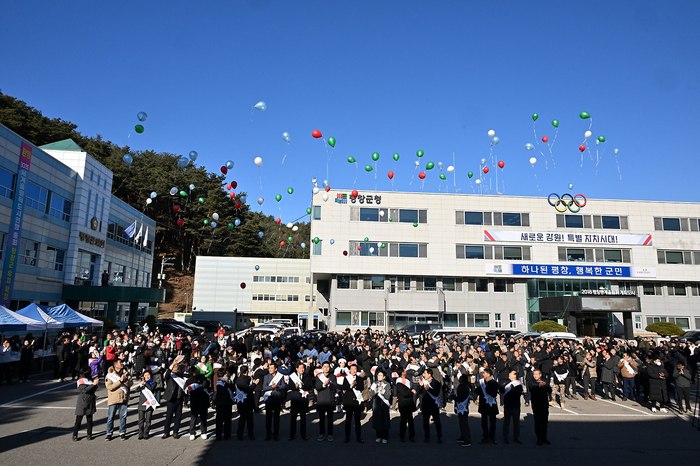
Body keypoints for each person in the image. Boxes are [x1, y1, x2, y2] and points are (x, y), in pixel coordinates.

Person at [104, 358, 132, 441]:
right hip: (113, 399)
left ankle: (122, 432)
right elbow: (110, 387)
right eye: (120, 362)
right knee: (111, 417)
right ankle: (109, 433)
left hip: (124, 398)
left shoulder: (126, 373)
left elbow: (130, 383)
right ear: (115, 365)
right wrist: (120, 381)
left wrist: (125, 380)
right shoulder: (110, 374)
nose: (122, 364)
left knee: (123, 417)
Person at [262, 360, 287, 441]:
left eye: (272, 368)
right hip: (269, 398)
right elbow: (264, 388)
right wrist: (271, 387)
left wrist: (277, 387)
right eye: (269, 368)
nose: (270, 369)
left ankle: (276, 434)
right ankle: (268, 433)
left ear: (276, 369)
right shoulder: (266, 377)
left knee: (276, 418)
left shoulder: (280, 376)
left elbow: (284, 386)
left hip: (277, 398)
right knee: (268, 418)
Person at [162, 358, 187, 439]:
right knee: (169, 415)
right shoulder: (169, 375)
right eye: (175, 366)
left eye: (177, 366)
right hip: (171, 398)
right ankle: (166, 431)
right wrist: (172, 364)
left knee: (178, 416)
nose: (177, 367)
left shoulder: (179, 374)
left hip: (179, 397)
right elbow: (167, 374)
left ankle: (175, 432)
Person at [340, 364, 365, 443]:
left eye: (355, 369)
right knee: (348, 421)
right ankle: (347, 437)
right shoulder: (346, 378)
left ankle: (359, 437)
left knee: (357, 421)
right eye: (352, 369)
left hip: (357, 402)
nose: (353, 370)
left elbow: (361, 387)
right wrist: (351, 386)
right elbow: (344, 388)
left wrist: (356, 385)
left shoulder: (360, 378)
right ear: (350, 370)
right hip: (349, 402)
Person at [288, 361, 313, 441]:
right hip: (295, 398)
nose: (302, 370)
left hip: (303, 399)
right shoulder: (293, 376)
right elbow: (289, 386)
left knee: (303, 418)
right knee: (293, 418)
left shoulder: (307, 376)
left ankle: (303, 434)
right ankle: (292, 434)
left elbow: (310, 386)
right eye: (300, 368)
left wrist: (304, 386)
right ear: (297, 369)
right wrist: (295, 386)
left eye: (303, 368)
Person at [73, 368, 98, 441]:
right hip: (82, 401)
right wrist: (93, 384)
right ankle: (75, 434)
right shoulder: (81, 380)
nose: (92, 373)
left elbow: (93, 389)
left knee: (89, 419)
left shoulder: (90, 379)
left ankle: (89, 434)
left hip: (90, 400)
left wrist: (95, 384)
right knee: (79, 419)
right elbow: (84, 390)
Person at [475, 368, 499, 444]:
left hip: (491, 404)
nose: (483, 374)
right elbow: (478, 392)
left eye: (484, 373)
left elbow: (493, 394)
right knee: (484, 422)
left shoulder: (494, 383)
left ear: (489, 374)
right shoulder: (481, 382)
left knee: (492, 422)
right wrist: (476, 387)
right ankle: (485, 437)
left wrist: (486, 387)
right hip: (483, 404)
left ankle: (492, 437)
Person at [315, 361, 337, 441]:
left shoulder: (333, 377)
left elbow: (335, 387)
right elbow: (317, 387)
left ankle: (330, 434)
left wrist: (329, 384)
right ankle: (321, 433)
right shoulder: (318, 376)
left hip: (330, 399)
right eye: (324, 367)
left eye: (328, 367)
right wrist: (324, 384)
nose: (326, 368)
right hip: (321, 400)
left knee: (330, 419)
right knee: (322, 419)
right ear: (322, 368)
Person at [186, 366, 210, 440]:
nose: (198, 370)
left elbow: (208, 383)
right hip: (195, 401)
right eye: (196, 370)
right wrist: (201, 387)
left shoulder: (202, 377)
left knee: (203, 417)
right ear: (193, 373)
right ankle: (192, 432)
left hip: (203, 400)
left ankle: (203, 431)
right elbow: (193, 392)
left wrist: (206, 384)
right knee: (194, 417)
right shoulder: (189, 381)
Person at [235, 365, 259, 440]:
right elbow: (248, 389)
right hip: (247, 401)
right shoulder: (244, 380)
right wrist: (255, 384)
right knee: (249, 420)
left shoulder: (238, 379)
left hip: (241, 402)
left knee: (242, 419)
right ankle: (250, 434)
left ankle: (240, 434)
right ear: (246, 372)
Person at [529, 369, 552, 446]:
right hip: (536, 404)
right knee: (538, 422)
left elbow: (549, 390)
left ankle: (544, 437)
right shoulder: (531, 381)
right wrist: (539, 386)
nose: (535, 376)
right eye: (534, 374)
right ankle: (539, 438)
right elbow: (531, 389)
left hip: (544, 403)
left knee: (544, 422)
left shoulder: (545, 380)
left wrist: (544, 385)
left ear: (540, 375)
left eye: (536, 374)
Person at [499, 370, 523, 444]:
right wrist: (502, 387)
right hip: (507, 406)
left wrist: (513, 389)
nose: (509, 374)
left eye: (511, 374)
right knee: (506, 422)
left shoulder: (518, 384)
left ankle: (516, 437)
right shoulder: (507, 382)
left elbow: (518, 394)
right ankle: (505, 436)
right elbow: (502, 392)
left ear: (515, 376)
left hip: (515, 406)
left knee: (516, 423)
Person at [420, 367, 442, 443]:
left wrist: (429, 388)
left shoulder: (436, 383)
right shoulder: (424, 382)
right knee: (425, 421)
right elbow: (420, 392)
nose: (424, 375)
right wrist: (421, 386)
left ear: (429, 374)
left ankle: (439, 436)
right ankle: (427, 436)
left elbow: (436, 393)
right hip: (425, 404)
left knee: (437, 421)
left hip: (433, 405)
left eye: (425, 373)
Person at [134, 370, 158, 440]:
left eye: (148, 375)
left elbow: (151, 389)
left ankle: (146, 433)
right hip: (142, 403)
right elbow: (137, 390)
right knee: (141, 420)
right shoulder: (142, 383)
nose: (147, 376)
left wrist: (145, 383)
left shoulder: (153, 382)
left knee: (148, 420)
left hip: (149, 403)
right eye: (145, 375)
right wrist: (141, 384)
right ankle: (140, 433)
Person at [370, 370, 392, 443]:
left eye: (380, 375)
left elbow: (388, 396)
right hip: (377, 403)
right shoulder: (374, 383)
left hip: (384, 404)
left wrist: (382, 391)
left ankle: (385, 437)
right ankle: (379, 436)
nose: (379, 377)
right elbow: (371, 395)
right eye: (378, 375)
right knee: (377, 419)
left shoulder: (387, 384)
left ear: (384, 377)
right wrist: (375, 391)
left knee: (385, 420)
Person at [396, 368, 416, 442]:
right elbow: (405, 393)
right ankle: (402, 435)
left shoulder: (408, 381)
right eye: (404, 370)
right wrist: (412, 392)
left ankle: (412, 435)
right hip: (403, 402)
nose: (405, 371)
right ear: (402, 372)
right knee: (403, 420)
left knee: (410, 420)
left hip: (409, 402)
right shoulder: (398, 382)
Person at [214, 367, 234, 441]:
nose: (227, 375)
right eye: (226, 374)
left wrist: (230, 383)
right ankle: (218, 435)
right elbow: (223, 391)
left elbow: (232, 389)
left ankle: (227, 434)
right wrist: (227, 384)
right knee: (219, 420)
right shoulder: (219, 382)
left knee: (228, 419)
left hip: (228, 403)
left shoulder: (227, 382)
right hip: (221, 403)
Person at [453, 374, 471, 447]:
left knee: (464, 423)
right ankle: (463, 436)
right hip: (461, 407)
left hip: (463, 407)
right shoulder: (463, 386)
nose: (459, 379)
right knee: (461, 423)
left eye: (460, 378)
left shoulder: (463, 387)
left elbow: (460, 398)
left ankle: (467, 439)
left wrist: (453, 397)